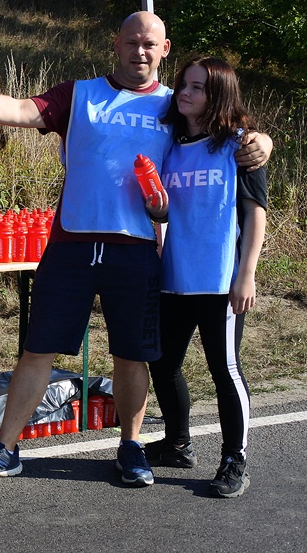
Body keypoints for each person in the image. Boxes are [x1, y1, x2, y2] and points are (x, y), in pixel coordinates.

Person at [0, 12, 271, 488]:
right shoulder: (78, 94)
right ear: (115, 44)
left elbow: (227, 131)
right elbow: (20, 110)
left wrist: (261, 141)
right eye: (132, 42)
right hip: (72, 245)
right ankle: (5, 448)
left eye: (150, 44)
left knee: (131, 357)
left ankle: (131, 446)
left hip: (137, 251)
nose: (140, 51)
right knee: (38, 351)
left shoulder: (174, 108)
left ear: (164, 50)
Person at [145, 57, 266, 498]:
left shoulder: (240, 147)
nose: (186, 92)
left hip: (221, 282)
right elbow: (162, 209)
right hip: (174, 277)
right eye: (184, 85)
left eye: (198, 87)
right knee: (163, 362)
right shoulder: (171, 147)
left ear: (219, 97)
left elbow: (255, 216)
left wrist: (246, 274)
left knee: (225, 370)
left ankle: (235, 459)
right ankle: (177, 443)